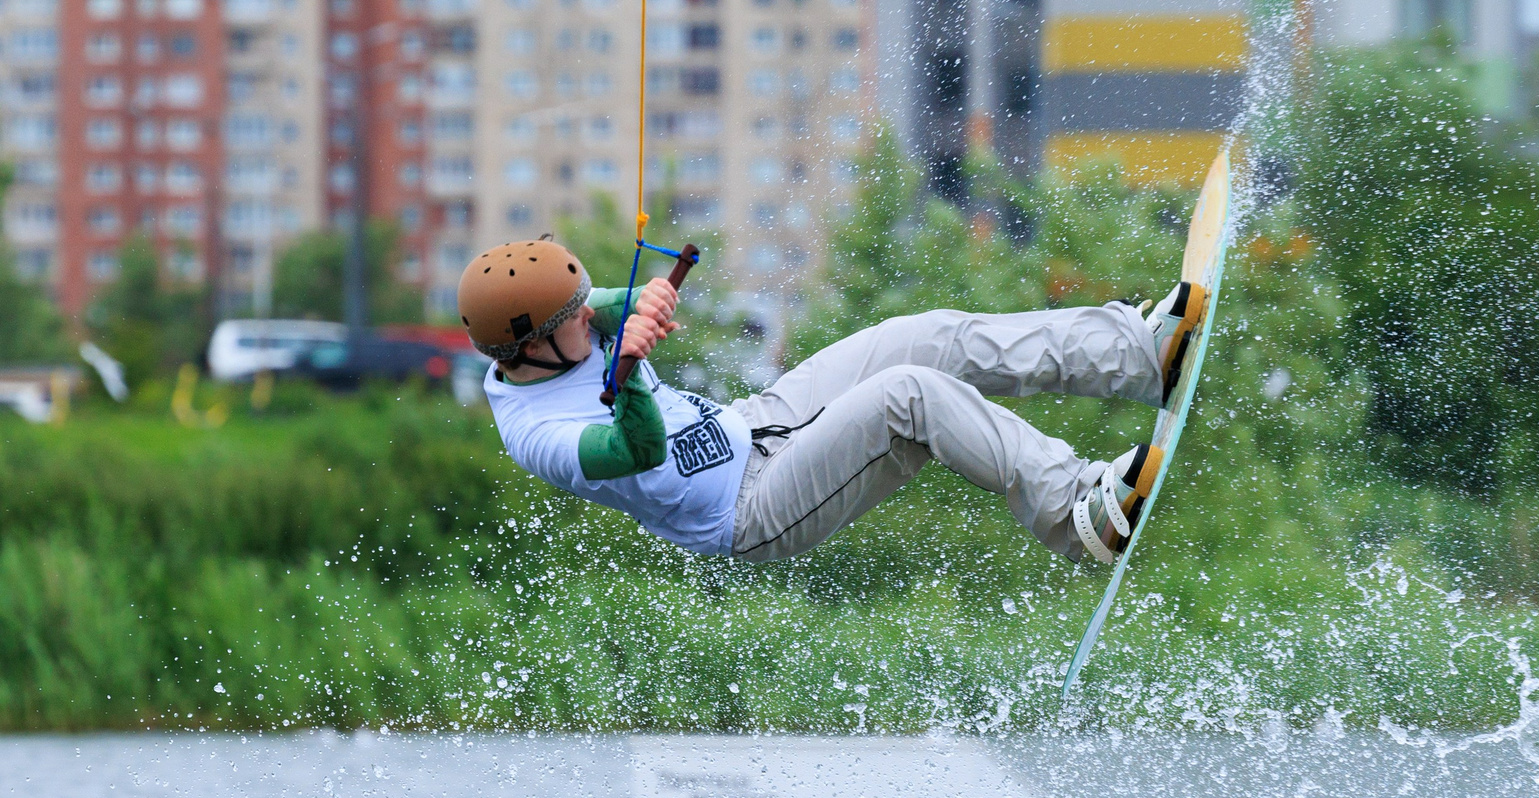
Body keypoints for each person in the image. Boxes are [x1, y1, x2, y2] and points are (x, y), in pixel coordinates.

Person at [456, 238, 1208, 566]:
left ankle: (1133, 355)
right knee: (907, 397)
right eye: (576, 319)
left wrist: (643, 301)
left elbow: (609, 302)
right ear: (530, 348)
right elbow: (639, 450)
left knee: (922, 337)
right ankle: (1078, 514)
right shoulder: (539, 433)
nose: (590, 316)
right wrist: (629, 359)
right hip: (750, 511)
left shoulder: (560, 328)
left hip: (755, 423)